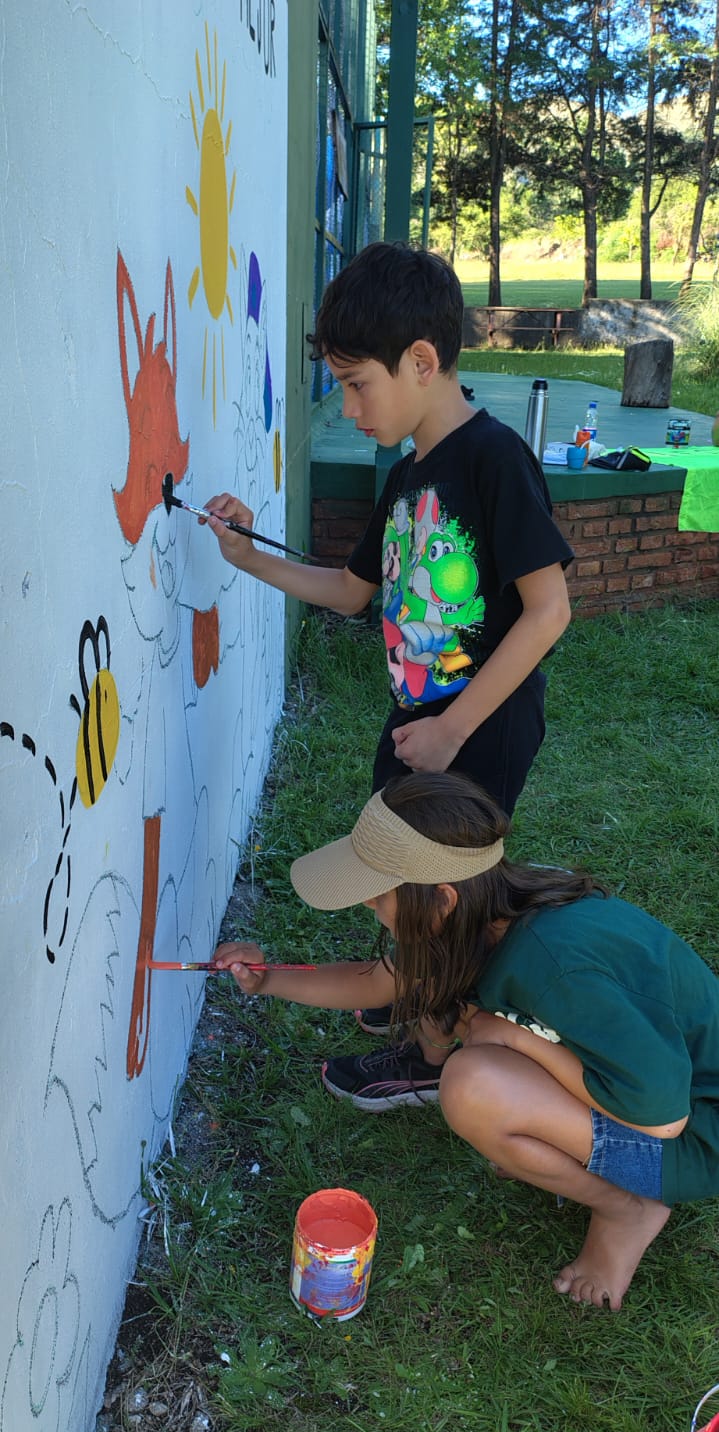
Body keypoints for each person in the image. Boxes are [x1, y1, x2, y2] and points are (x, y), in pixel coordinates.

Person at [204, 240, 573, 1087]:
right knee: (398, 878)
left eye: (356, 383)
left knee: (438, 896)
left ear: (421, 361)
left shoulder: (492, 460)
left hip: (478, 728)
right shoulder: (406, 473)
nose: (348, 406)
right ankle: (412, 995)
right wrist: (246, 557)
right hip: (418, 724)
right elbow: (348, 590)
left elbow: (548, 610)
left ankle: (429, 1053)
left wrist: (453, 730)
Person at [213, 770, 719, 1312]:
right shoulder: (487, 912)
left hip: (693, 1135)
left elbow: (660, 1117)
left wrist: (519, 1041)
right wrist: (267, 980)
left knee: (472, 1085)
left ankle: (626, 1209)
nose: (368, 907)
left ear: (442, 899)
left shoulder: (555, 966)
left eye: (378, 897)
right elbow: (381, 981)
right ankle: (564, 1149)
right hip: (652, 1086)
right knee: (474, 1036)